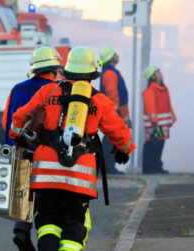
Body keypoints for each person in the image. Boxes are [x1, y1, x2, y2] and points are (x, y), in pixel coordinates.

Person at [9, 46, 136, 251]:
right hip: (80, 174)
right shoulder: (99, 100)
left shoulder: (48, 91)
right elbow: (119, 132)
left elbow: (19, 118)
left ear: (67, 70)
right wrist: (125, 149)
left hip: (46, 171)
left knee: (48, 220)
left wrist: (17, 136)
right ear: (91, 74)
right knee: (75, 223)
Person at [2, 45, 63, 251]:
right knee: (48, 203)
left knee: (24, 195)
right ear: (54, 69)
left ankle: (21, 229)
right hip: (48, 155)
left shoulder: (17, 89)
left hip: (19, 150)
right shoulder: (56, 90)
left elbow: (6, 123)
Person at [99, 46, 132, 174]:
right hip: (112, 113)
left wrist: (125, 116)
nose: (117, 55)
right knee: (110, 140)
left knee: (111, 140)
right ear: (111, 58)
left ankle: (109, 166)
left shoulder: (111, 72)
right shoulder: (110, 73)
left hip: (113, 112)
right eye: (115, 54)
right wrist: (116, 114)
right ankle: (108, 167)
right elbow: (112, 95)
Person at [142, 66, 176, 174]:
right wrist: (155, 123)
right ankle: (150, 168)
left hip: (161, 125)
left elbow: (167, 105)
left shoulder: (163, 89)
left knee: (159, 144)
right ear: (153, 76)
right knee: (153, 145)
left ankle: (156, 166)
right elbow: (151, 109)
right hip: (155, 125)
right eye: (157, 71)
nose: (160, 73)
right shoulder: (150, 91)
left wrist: (172, 118)